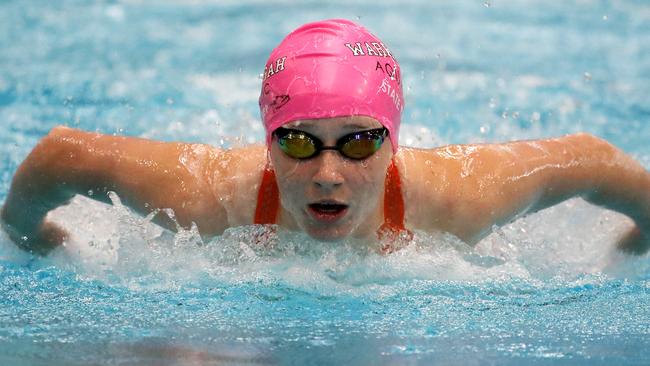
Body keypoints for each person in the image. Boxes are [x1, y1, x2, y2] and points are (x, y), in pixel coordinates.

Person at [2, 19, 649, 255]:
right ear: (269, 143)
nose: (329, 173)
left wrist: (640, 245)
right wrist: (34, 238)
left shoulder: (455, 200)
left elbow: (591, 160)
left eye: (360, 142)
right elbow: (63, 153)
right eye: (301, 142)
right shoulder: (210, 199)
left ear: (394, 142)